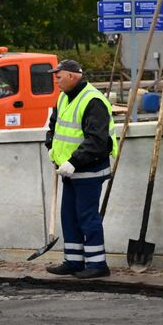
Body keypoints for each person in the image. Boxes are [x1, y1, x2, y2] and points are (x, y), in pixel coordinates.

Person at [43, 59, 117, 279]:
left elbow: (97, 140)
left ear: (72, 77)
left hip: (89, 170)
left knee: (87, 217)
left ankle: (97, 264)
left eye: (58, 76)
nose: (55, 80)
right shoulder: (63, 97)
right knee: (70, 216)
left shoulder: (94, 101)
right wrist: (52, 150)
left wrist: (74, 161)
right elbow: (53, 128)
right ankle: (74, 261)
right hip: (70, 171)